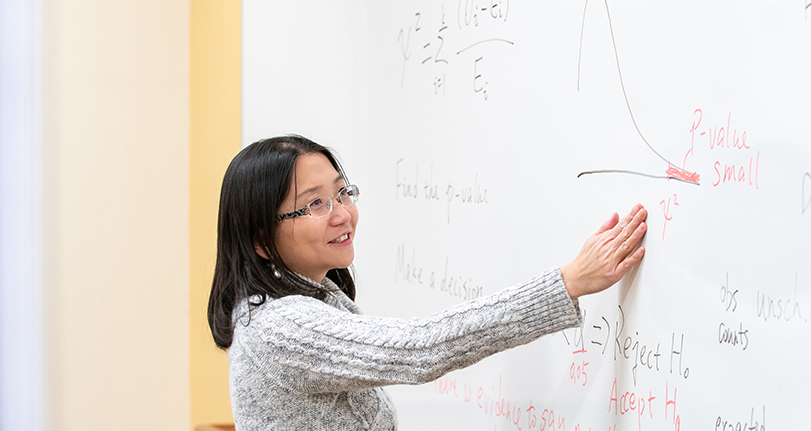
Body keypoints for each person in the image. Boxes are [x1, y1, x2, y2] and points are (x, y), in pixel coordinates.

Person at [207, 135, 648, 430]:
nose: (342, 213)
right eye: (316, 204)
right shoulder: (281, 326)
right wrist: (565, 283)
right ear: (262, 239)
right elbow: (419, 347)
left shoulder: (308, 299)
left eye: (342, 193)